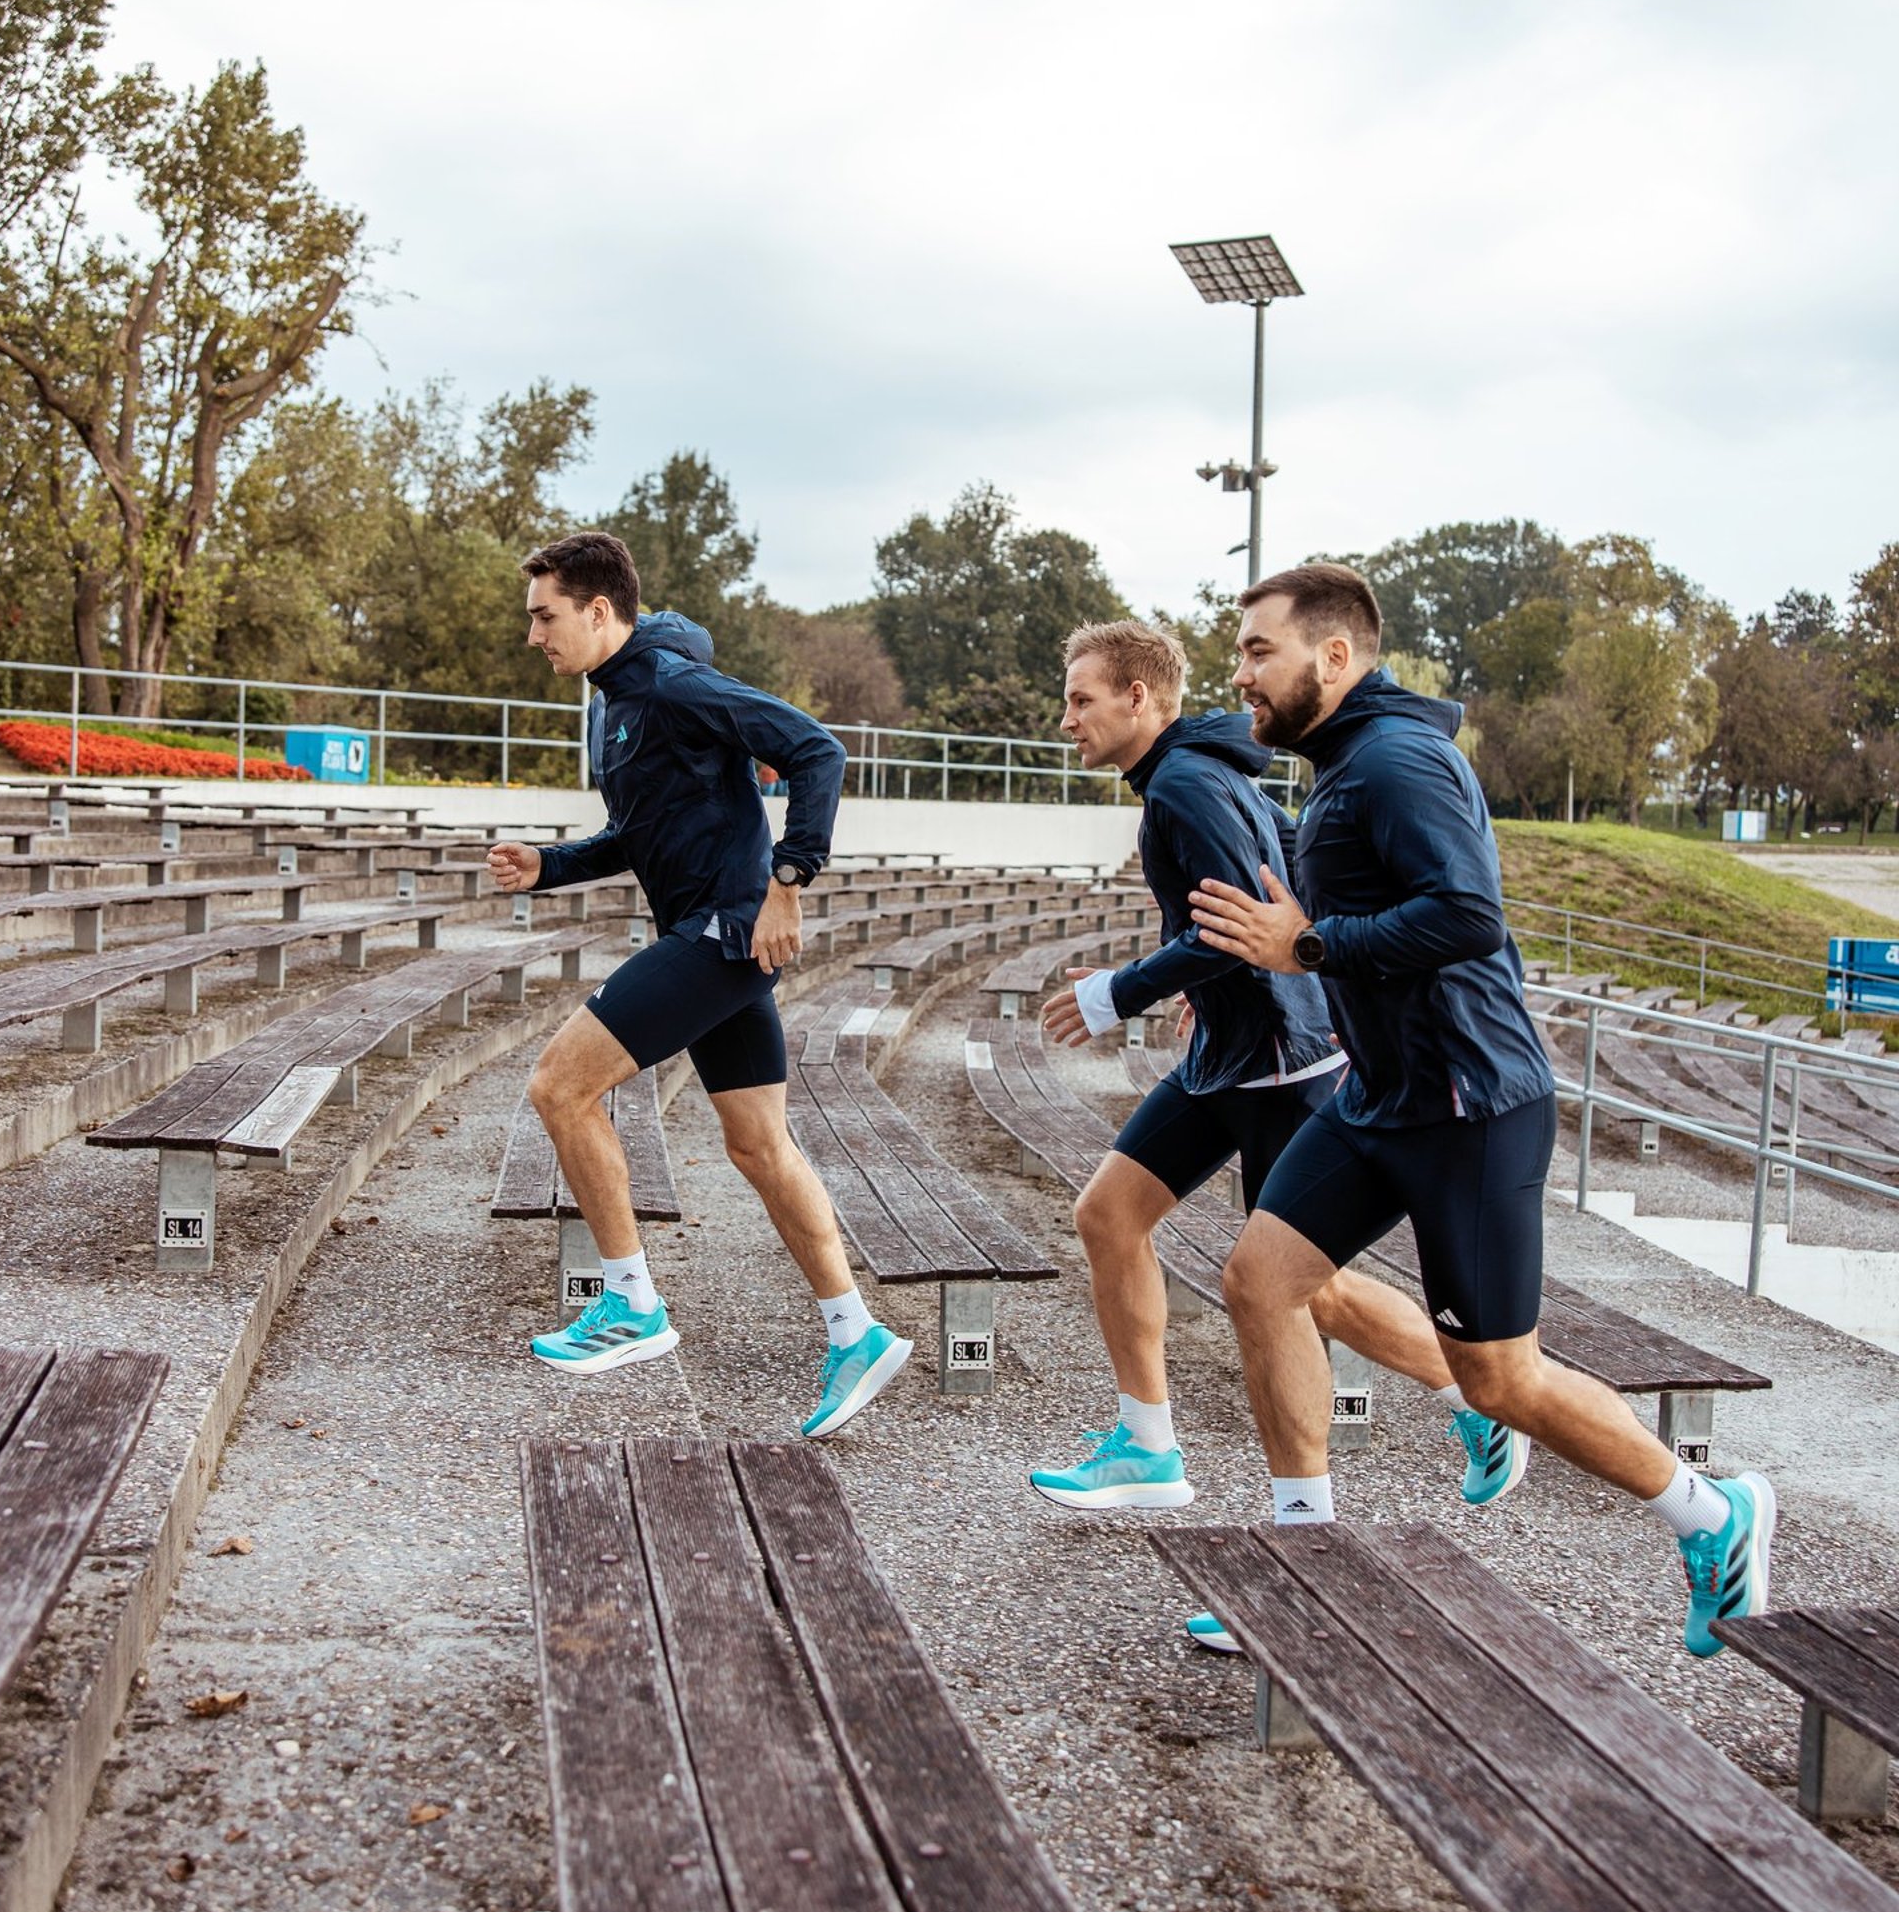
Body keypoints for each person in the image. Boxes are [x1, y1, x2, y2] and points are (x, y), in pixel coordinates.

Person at [1187, 562, 1773, 1660]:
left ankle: (1712, 1512)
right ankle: (1310, 1566)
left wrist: (1307, 944)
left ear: (1334, 656)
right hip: (1382, 1097)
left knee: (1499, 1382)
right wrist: (1280, 961)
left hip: (1470, 1109)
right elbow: (1349, 927)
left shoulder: (1397, 760)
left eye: (1259, 652)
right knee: (1261, 1281)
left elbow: (1466, 916)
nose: (1242, 676)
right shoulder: (1345, 763)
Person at [1025, 619, 1530, 1572]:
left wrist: (1119, 992)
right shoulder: (1198, 775)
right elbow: (1291, 871)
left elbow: (1245, 921)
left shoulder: (1185, 781)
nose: (1067, 720)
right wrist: (1206, 984)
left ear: (1139, 698)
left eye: (1081, 700)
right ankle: (1147, 1446)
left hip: (1281, 1060)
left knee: (1302, 1288)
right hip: (1234, 1049)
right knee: (1109, 1215)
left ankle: (1469, 1401)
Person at [489, 530, 911, 1442]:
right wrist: (549, 864)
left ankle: (632, 1304)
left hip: (721, 934)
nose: (534, 636)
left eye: (545, 617)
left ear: (599, 610)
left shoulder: (673, 685)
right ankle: (857, 1334)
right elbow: (636, 833)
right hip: (717, 939)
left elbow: (817, 750)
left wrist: (789, 881)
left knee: (560, 1087)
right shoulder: (613, 702)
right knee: (760, 1145)